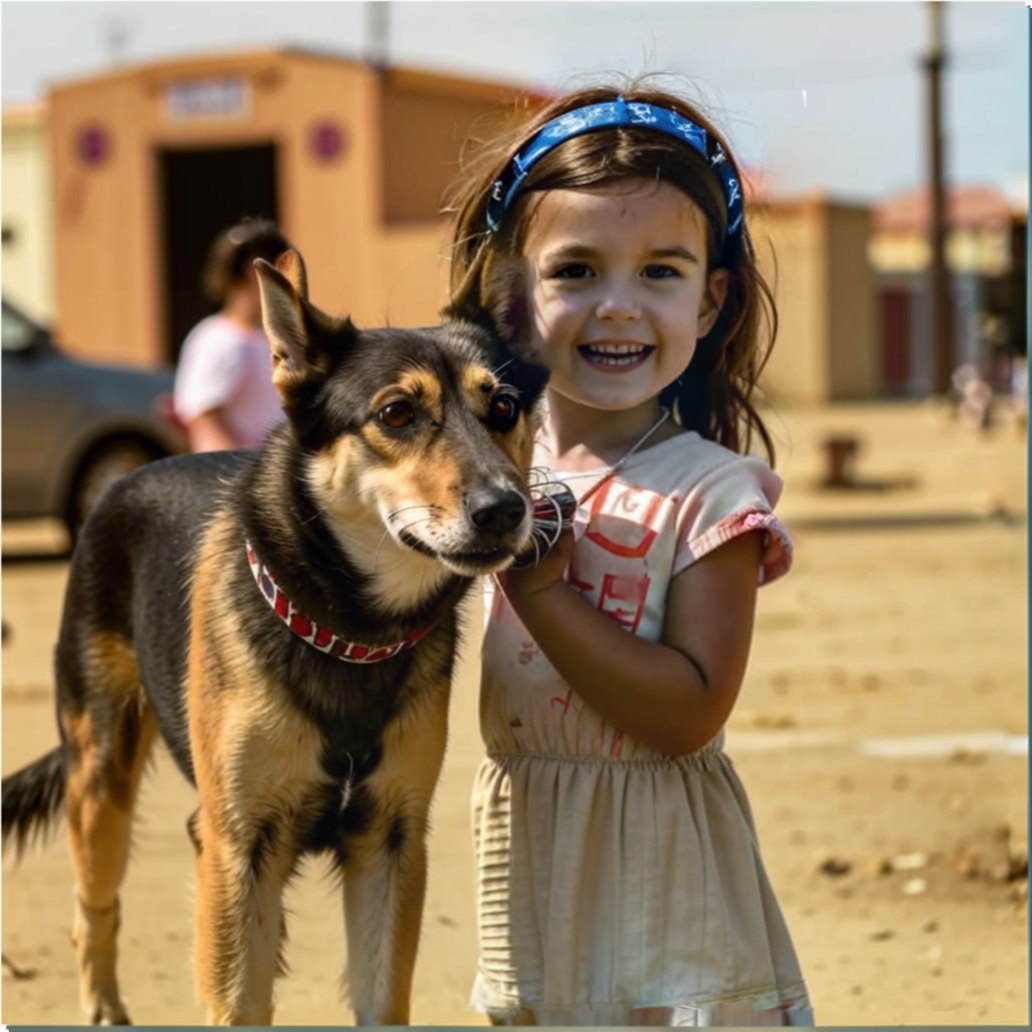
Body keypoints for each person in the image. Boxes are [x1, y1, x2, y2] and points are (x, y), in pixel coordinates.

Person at [445, 82, 814, 1027]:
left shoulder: (711, 493)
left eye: (661, 271)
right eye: (575, 270)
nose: (618, 306)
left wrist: (544, 594)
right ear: (510, 293)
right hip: (531, 854)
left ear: (710, 297)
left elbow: (689, 711)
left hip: (660, 879)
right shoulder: (487, 482)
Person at [174, 218, 291, 452]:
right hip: (236, 481)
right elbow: (204, 418)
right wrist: (241, 476)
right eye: (279, 266)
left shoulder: (278, 338)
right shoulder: (216, 340)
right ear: (253, 270)